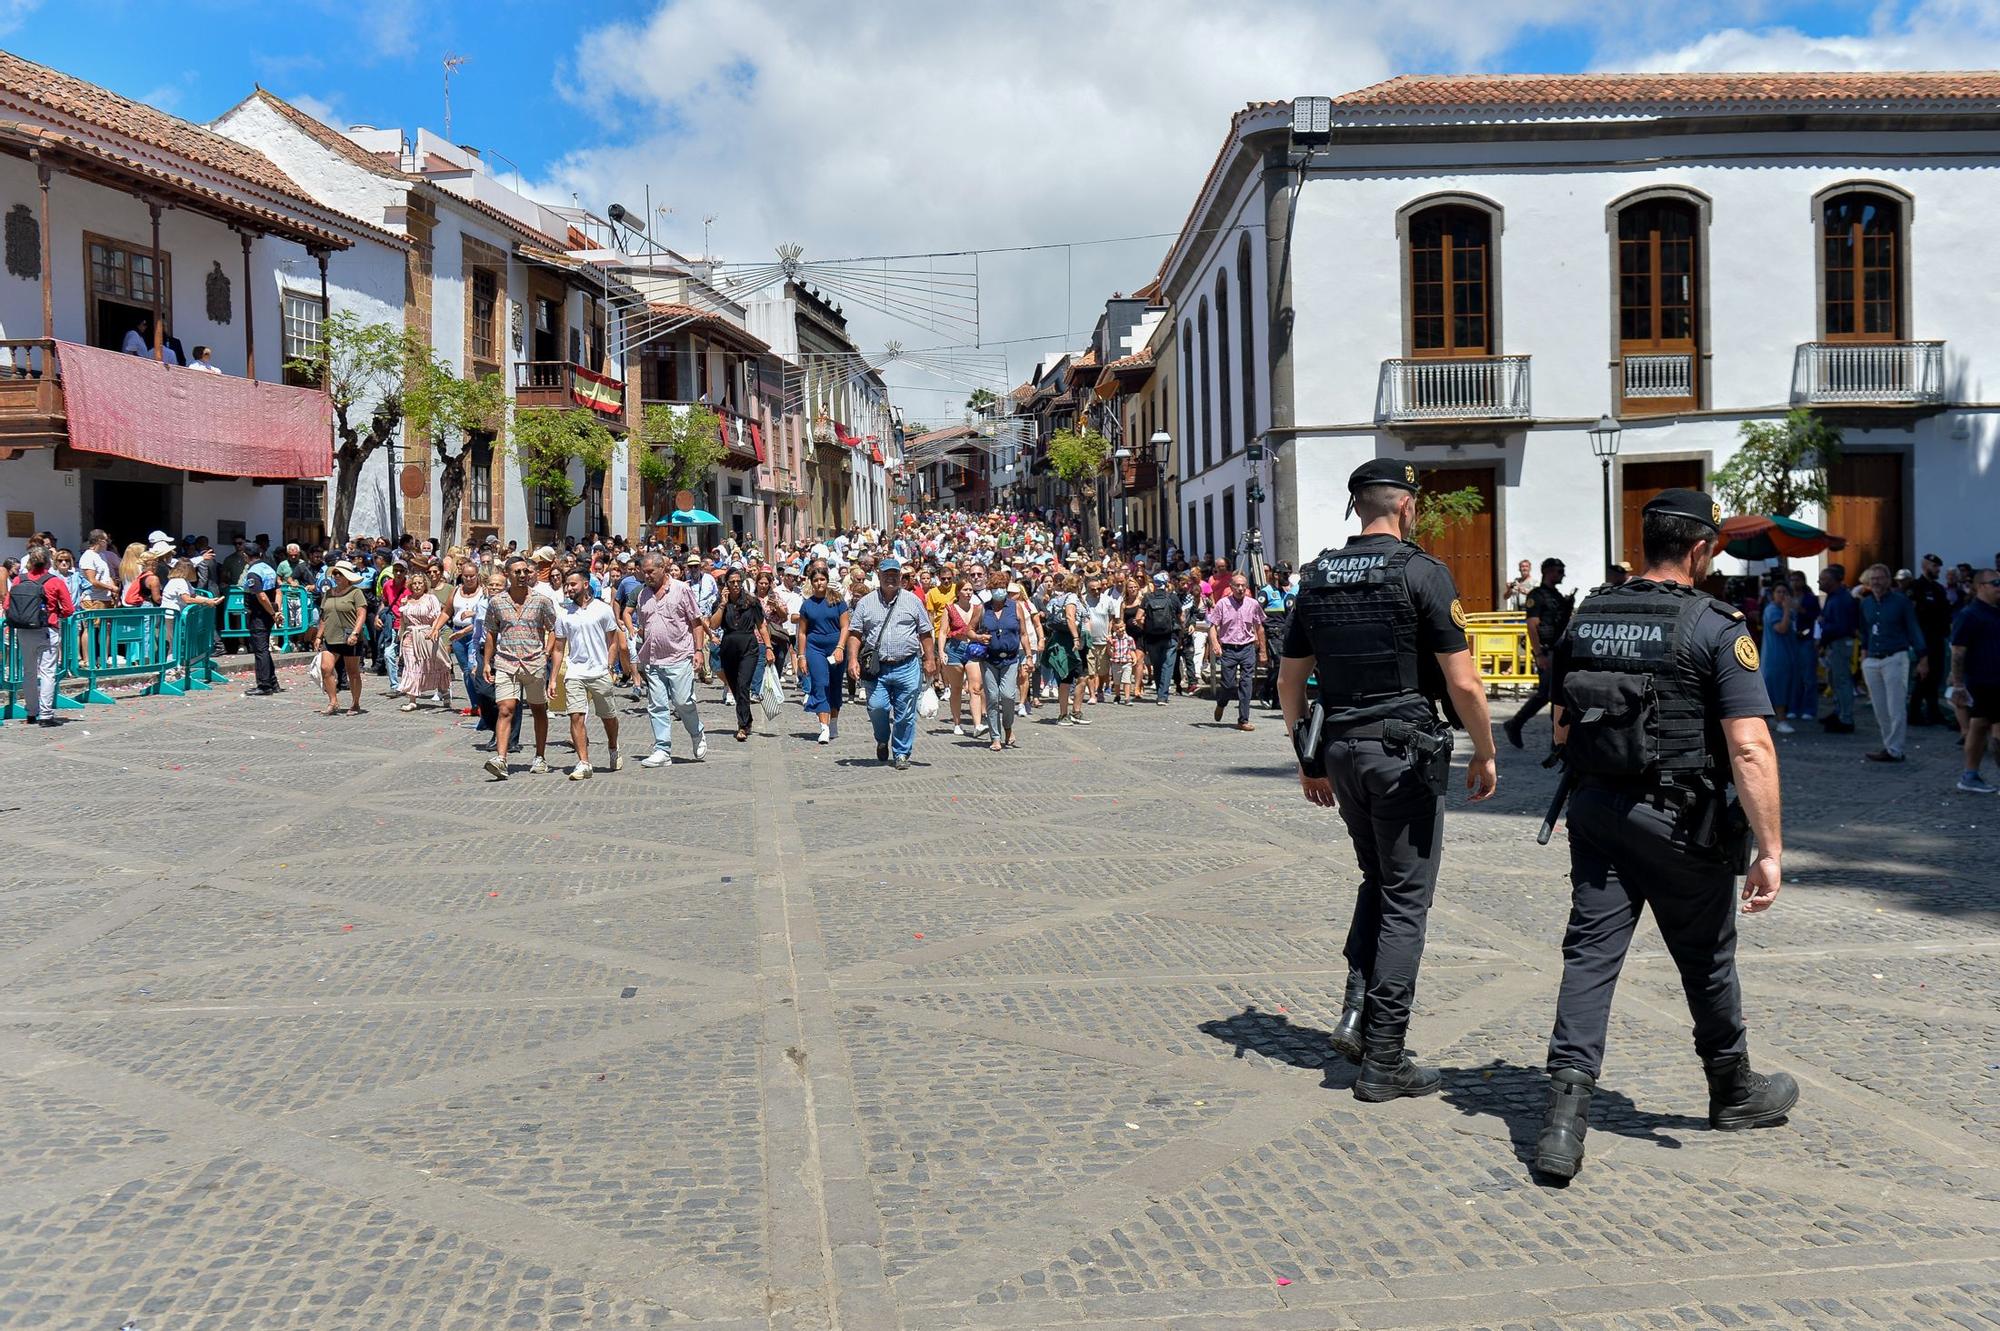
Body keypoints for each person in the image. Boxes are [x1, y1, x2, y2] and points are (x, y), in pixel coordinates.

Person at [1531, 488, 1795, 1181]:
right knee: (1705, 957)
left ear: (1648, 543)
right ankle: (1732, 1089)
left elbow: (1561, 722)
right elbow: (1750, 748)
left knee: (1589, 955)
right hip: (1680, 819)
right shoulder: (1714, 624)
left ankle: (1563, 1116)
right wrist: (1770, 849)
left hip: (1594, 810)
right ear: (1702, 548)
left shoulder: (1591, 612)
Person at [1277, 459, 1498, 1102]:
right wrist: (1484, 753)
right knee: (1406, 898)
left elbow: (1291, 682)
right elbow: (1463, 682)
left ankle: (1356, 1010)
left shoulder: (1315, 577)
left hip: (1341, 750)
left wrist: (1308, 758)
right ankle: (1384, 1058)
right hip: (1401, 753)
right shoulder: (1423, 572)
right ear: (1406, 508)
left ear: (1357, 508)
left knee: (1378, 880)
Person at [841, 556, 936, 769]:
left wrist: (930, 659)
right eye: (886, 574)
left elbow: (925, 632)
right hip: (877, 668)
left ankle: (901, 752)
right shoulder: (866, 603)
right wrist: (852, 659)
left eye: (895, 574)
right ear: (879, 576)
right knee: (877, 706)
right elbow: (855, 633)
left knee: (905, 712)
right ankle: (882, 738)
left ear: (900, 577)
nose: (891, 578)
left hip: (907, 664)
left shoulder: (913, 601)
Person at [481, 557, 557, 779]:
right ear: (507, 574)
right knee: (506, 709)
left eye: (525, 571)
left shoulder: (541, 601)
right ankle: (501, 759)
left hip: (534, 663)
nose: (523, 575)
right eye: (517, 572)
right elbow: (491, 633)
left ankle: (540, 756)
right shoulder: (497, 602)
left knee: (538, 710)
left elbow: (553, 628)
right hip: (506, 662)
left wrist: (547, 651)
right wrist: (487, 662)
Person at [553, 569, 632, 779]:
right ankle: (584, 762)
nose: (569, 588)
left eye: (573, 584)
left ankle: (613, 746)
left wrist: (609, 665)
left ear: (585, 584)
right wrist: (553, 679)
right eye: (566, 585)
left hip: (599, 671)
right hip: (575, 672)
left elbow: (613, 640)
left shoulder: (602, 609)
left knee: (609, 717)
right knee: (576, 715)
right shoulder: (564, 614)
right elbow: (559, 648)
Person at [634, 553, 708, 768]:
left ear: (663, 569)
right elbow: (644, 623)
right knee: (657, 705)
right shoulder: (643, 595)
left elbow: (695, 621)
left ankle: (697, 733)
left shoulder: (681, 589)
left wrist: (699, 650)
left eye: (651, 572)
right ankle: (662, 749)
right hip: (654, 658)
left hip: (679, 655)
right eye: (644, 572)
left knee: (683, 701)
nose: (647, 576)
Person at [1859, 563, 1927, 763]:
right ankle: (1889, 746)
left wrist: (1923, 657)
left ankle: (1895, 749)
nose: (1876, 582)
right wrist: (1864, 657)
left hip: (1895, 657)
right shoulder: (1866, 603)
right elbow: (1864, 631)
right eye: (1873, 579)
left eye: (1880, 578)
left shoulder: (1901, 602)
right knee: (1880, 707)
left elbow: (1913, 628)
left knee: (1895, 706)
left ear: (1888, 580)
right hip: (1872, 658)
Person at [1503, 558, 1571, 749]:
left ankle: (1522, 727)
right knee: (1550, 694)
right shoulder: (1538, 595)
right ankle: (1520, 726)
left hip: (1558, 651)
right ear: (1548, 572)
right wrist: (1539, 653)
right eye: (1558, 571)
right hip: (1546, 651)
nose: (1562, 575)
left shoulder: (1556, 596)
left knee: (1549, 694)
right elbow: (1532, 625)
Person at [5, 547, 72, 726]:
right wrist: (56, 612)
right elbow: (68, 609)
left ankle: (31, 712)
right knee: (48, 672)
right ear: (49, 561)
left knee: (29, 672)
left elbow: (7, 604)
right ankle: (46, 714)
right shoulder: (54, 581)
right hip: (46, 628)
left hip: (23, 630)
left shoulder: (19, 579)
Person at [1949, 569, 2000, 794]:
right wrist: (1958, 685)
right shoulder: (1970, 615)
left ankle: (1970, 775)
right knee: (1995, 731)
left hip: (1995, 680)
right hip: (1984, 681)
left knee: (1978, 726)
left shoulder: (1996, 612)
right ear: (1981, 586)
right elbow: (1958, 651)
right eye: (1995, 583)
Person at [709, 568, 772, 743]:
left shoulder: (751, 602)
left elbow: (761, 626)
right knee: (736, 688)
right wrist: (722, 604)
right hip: (728, 647)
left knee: (744, 685)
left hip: (749, 647)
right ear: (726, 584)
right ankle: (748, 718)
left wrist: (768, 647)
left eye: (738, 581)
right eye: (732, 582)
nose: (735, 585)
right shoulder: (721, 602)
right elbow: (713, 625)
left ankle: (742, 725)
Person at [970, 564, 1025, 750]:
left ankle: (1008, 727)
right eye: (995, 588)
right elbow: (969, 630)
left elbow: (1023, 633)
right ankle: (995, 736)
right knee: (992, 697)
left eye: (1002, 588)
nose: (999, 592)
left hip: (1010, 659)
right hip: (989, 659)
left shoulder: (1016, 608)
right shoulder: (982, 609)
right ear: (990, 590)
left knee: (1008, 695)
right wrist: (978, 637)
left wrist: (1030, 657)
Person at [795, 565, 850, 745]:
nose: (819, 583)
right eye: (816, 580)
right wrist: (801, 656)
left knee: (835, 684)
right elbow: (802, 632)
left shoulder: (838, 602)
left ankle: (833, 722)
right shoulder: (807, 605)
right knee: (820, 684)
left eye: (822, 579)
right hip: (815, 647)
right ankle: (824, 728)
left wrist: (841, 647)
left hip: (836, 647)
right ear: (811, 583)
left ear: (827, 580)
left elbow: (845, 627)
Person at [1207, 570, 1267, 732]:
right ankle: (1221, 703)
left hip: (1247, 648)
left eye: (1243, 586)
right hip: (1229, 649)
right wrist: (1215, 644)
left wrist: (1263, 651)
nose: (1240, 588)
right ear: (1231, 587)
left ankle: (1243, 720)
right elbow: (1212, 627)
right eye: (1237, 586)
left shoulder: (1253, 604)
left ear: (1246, 587)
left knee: (1247, 685)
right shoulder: (1222, 604)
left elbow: (1259, 628)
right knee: (1228, 685)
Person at [311, 560, 368, 715]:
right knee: (325, 668)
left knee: (352, 671)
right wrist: (318, 636)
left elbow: (361, 614)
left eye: (339, 573)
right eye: (334, 573)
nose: (336, 576)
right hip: (331, 637)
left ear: (347, 576)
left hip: (350, 637)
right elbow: (324, 616)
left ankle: (355, 703)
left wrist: (355, 633)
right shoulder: (328, 593)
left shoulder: (356, 592)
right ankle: (333, 701)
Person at [1910, 553, 1954, 728]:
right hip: (1924, 638)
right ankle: (1914, 713)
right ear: (1925, 566)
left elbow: (1944, 612)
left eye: (1938, 567)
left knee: (1935, 676)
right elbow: (1914, 617)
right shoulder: (1916, 587)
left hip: (1937, 638)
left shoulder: (1938, 588)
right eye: (1934, 567)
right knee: (1922, 677)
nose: (1937, 570)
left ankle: (1933, 711)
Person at [1815, 564, 1858, 734]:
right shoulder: (1834, 597)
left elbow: (1840, 626)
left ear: (1833, 581)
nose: (1819, 581)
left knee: (1842, 681)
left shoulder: (1841, 599)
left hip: (1840, 643)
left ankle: (1846, 719)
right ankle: (1839, 712)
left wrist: (1822, 623)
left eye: (1823, 579)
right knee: (1835, 680)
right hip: (1835, 643)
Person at [240, 543, 282, 697]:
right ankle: (273, 682)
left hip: (259, 615)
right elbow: (278, 590)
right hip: (268, 613)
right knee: (263, 648)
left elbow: (261, 596)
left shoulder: (253, 573)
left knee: (260, 650)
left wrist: (272, 613)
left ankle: (264, 685)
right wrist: (277, 611)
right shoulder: (269, 568)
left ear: (246, 556)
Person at [1136, 571, 1181, 706]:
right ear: (1166, 583)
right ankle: (1162, 695)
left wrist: (1146, 626)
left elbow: (1138, 617)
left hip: (1152, 637)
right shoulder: (1173, 597)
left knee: (1157, 665)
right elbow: (1181, 617)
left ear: (1154, 584)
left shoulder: (1147, 598)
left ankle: (1160, 692)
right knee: (1168, 665)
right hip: (1170, 636)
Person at [1758, 581, 1798, 734]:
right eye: (1779, 592)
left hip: (1787, 654)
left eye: (1785, 592)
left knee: (1785, 686)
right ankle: (1781, 720)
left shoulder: (1785, 609)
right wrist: (1787, 610)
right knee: (1777, 687)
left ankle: (1773, 719)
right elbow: (1781, 628)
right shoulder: (1772, 610)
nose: (1782, 595)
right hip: (1775, 656)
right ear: (1773, 595)